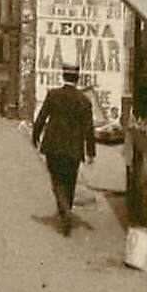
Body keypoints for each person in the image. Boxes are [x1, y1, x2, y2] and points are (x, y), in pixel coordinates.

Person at [32, 64, 96, 235]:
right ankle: (66, 210)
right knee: (70, 181)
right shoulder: (84, 100)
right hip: (74, 148)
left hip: (53, 145)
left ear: (63, 77)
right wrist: (91, 152)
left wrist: (35, 137)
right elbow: (89, 129)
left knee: (56, 179)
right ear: (78, 78)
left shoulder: (53, 95)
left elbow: (41, 118)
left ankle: (65, 211)